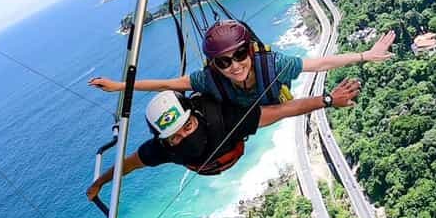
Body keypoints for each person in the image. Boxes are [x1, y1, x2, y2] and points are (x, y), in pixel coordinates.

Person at [86, 78, 361, 200]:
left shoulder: (226, 120)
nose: (184, 136)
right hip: (214, 164)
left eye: (188, 126)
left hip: (231, 148)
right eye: (175, 137)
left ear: (196, 116)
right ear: (164, 140)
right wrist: (100, 182)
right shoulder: (163, 150)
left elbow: (284, 109)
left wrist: (328, 99)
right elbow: (129, 165)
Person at [89, 20, 394, 107]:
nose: (234, 66)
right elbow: (167, 83)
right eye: (223, 62)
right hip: (241, 112)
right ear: (214, 65)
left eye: (239, 56)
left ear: (249, 51)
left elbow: (321, 63)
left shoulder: (273, 64)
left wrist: (365, 55)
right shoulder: (208, 80)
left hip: (271, 105)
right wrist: (120, 87)